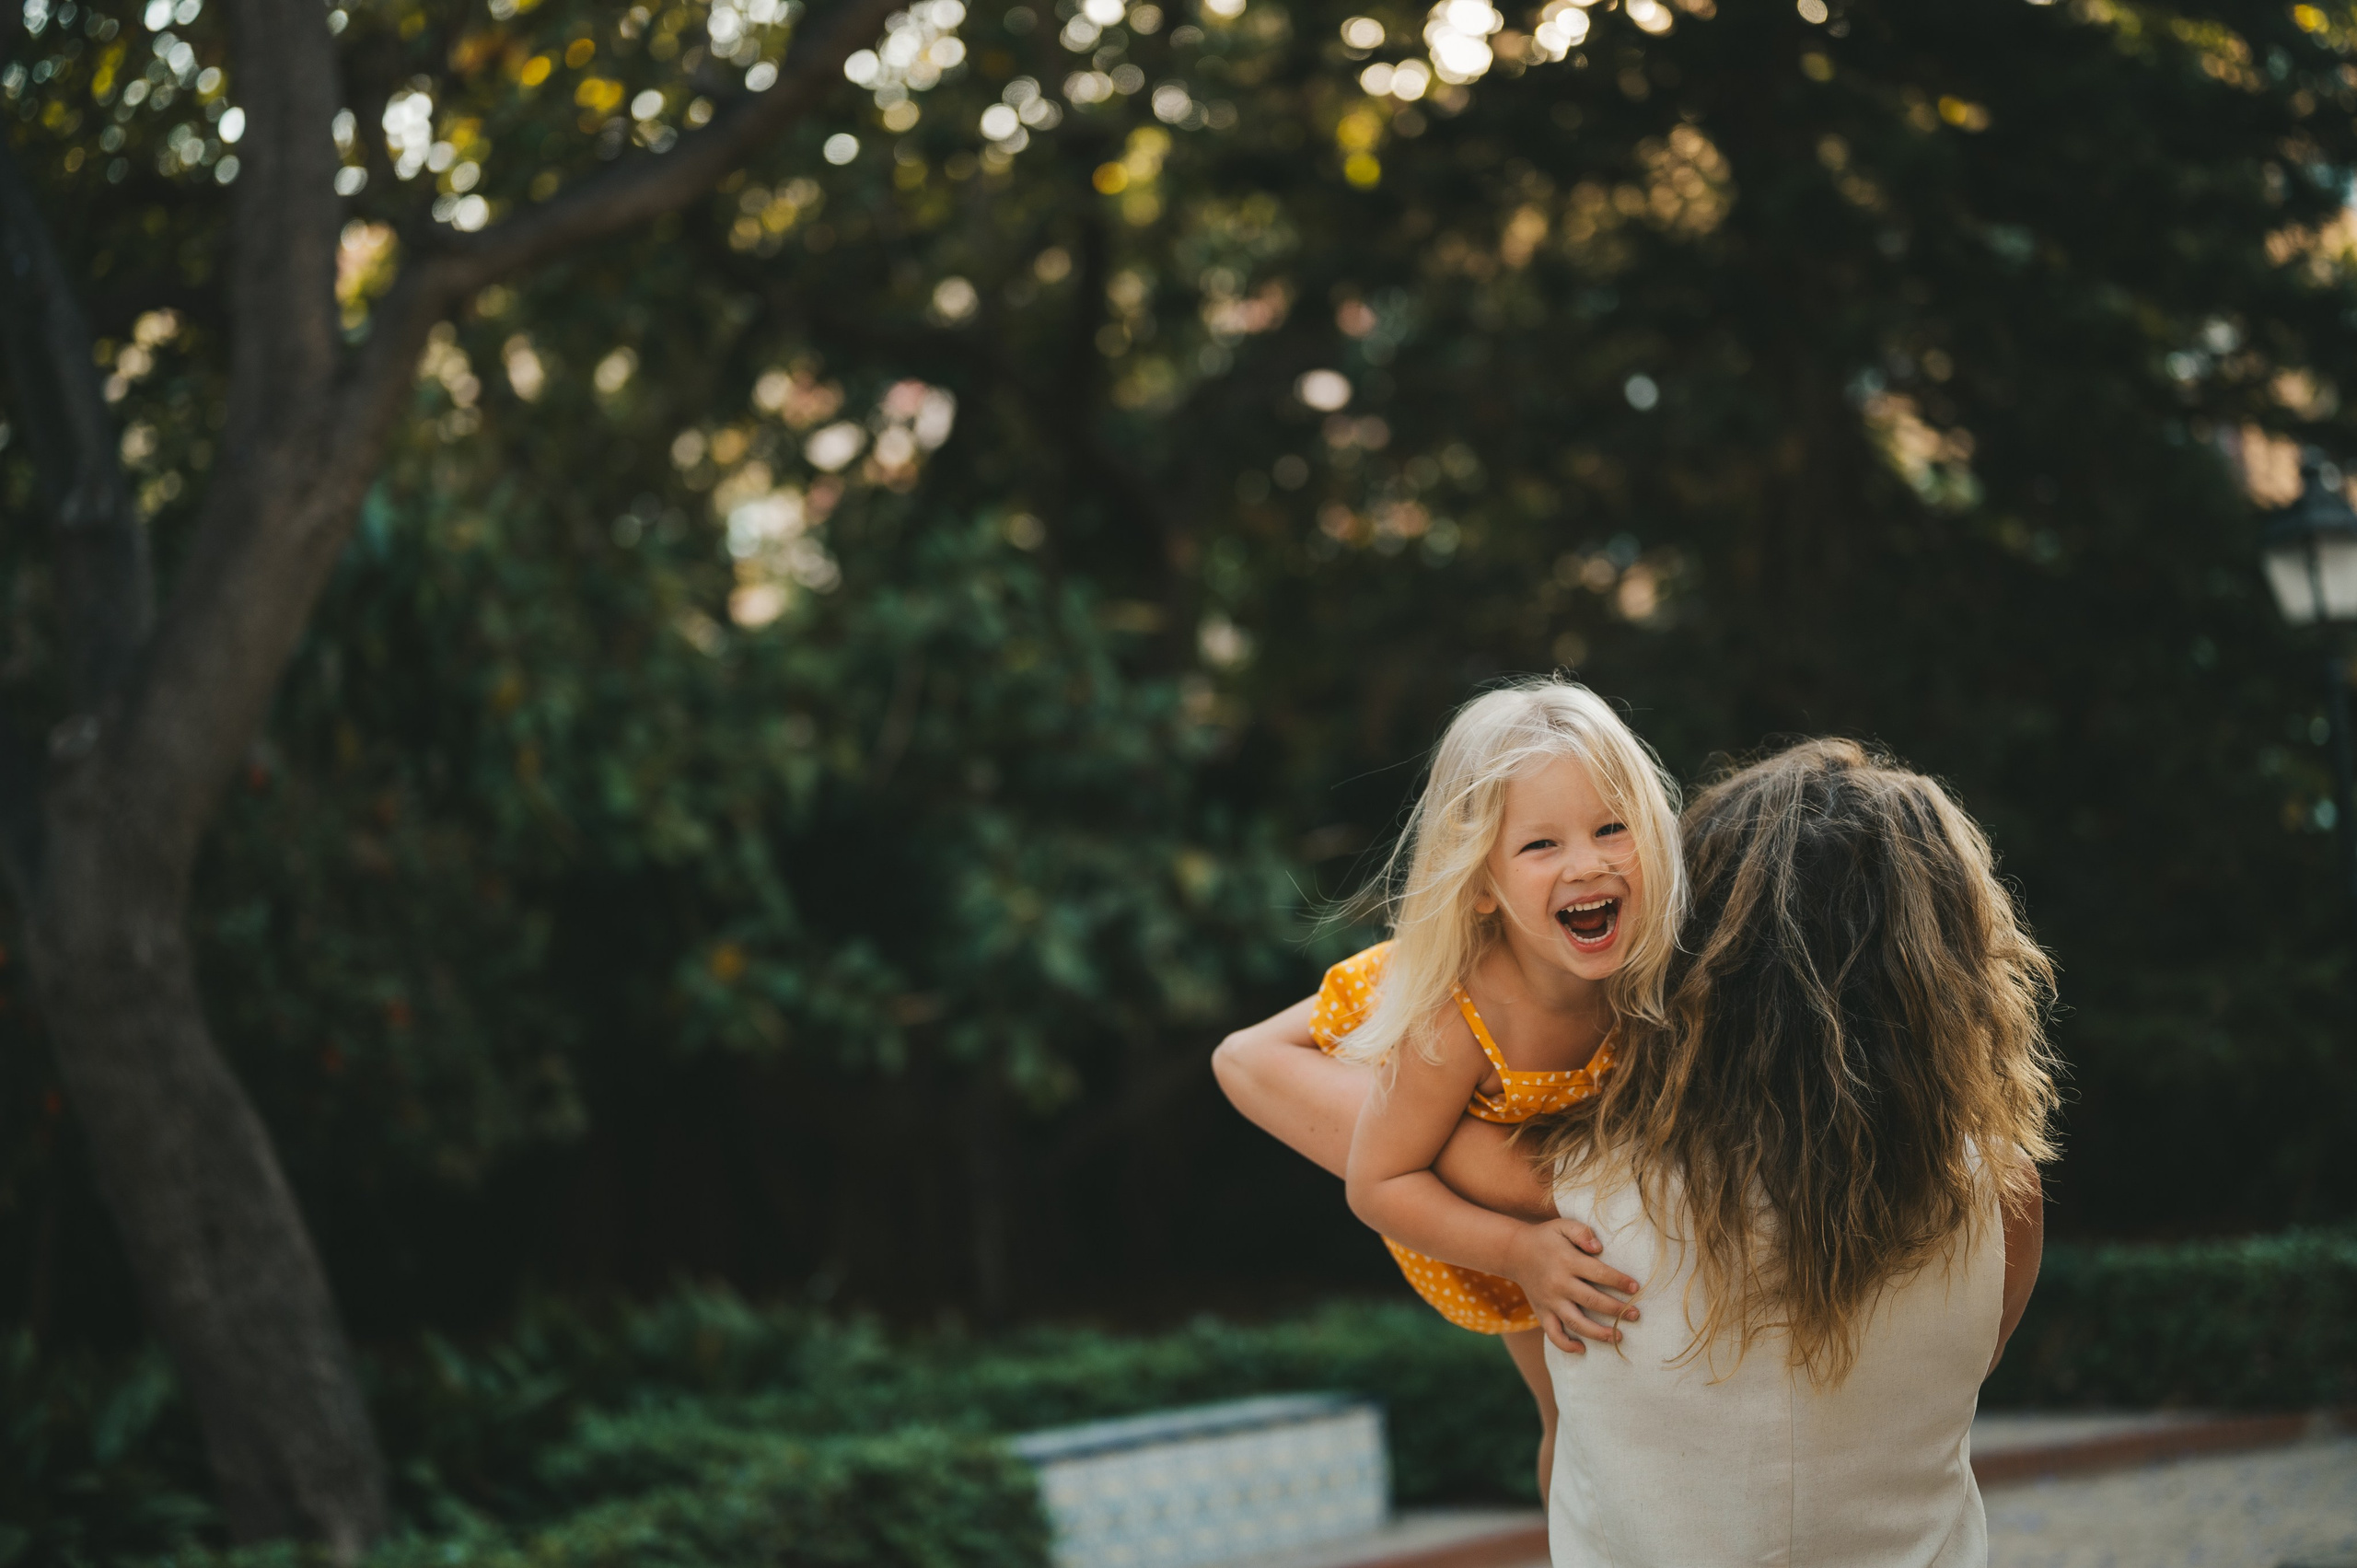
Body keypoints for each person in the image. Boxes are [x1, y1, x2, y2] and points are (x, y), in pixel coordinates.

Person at [1469, 739, 2053, 1565]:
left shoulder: (1559, 1184)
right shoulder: (2002, 1194)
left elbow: (1276, 1074)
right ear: (1946, 967)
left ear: (1688, 947)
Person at [1213, 677, 1685, 1502]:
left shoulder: (1656, 964)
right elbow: (1381, 1179)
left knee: (1607, 1405)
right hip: (1447, 1106)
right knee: (1569, 1414)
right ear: (1481, 881)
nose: (1588, 862)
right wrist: (1520, 1251)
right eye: (1541, 846)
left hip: (1526, 1116)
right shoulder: (1454, 1018)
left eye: (1614, 828)